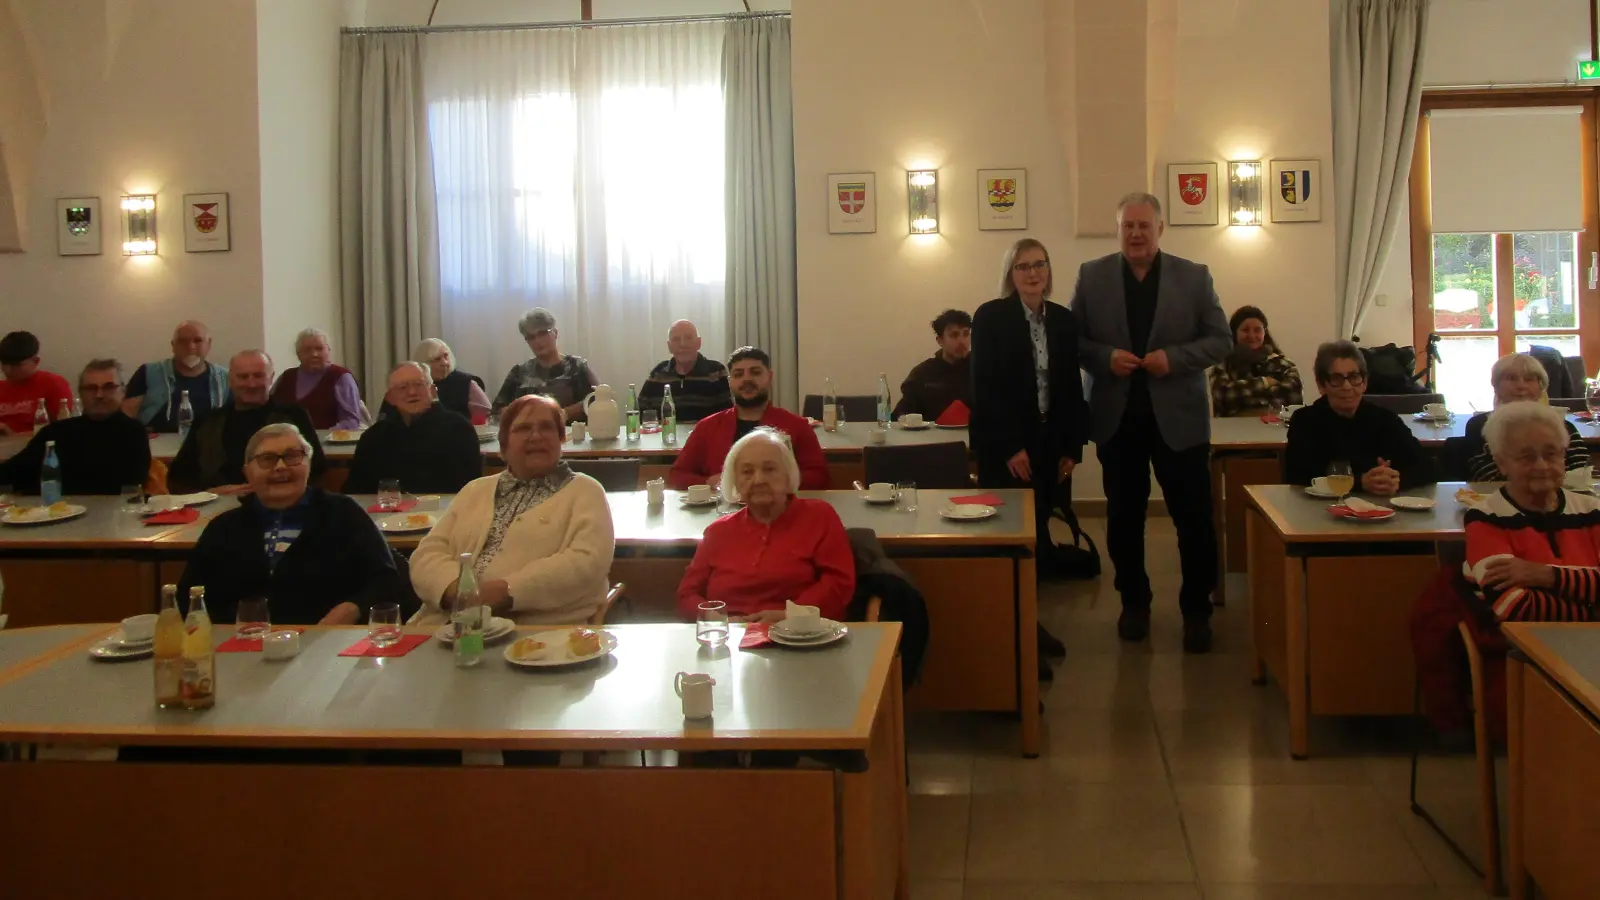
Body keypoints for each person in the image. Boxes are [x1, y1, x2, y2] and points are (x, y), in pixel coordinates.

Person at [1073, 192, 1231, 653]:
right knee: (1124, 519)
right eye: (1128, 226)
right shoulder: (1092, 276)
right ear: (1117, 230)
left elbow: (1220, 340)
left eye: (1144, 225)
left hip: (1180, 420)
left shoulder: (1194, 276)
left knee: (1194, 520)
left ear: (1161, 229)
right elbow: (1072, 340)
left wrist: (1174, 359)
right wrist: (1105, 357)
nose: (1136, 234)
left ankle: (1197, 610)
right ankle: (1134, 603)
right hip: (1117, 419)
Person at [410, 394, 614, 625]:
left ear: (561, 439)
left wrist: (506, 591)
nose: (536, 436)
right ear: (503, 445)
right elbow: (427, 553)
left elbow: (586, 563)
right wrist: (455, 590)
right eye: (523, 428)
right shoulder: (474, 490)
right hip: (441, 627)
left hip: (537, 632)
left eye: (546, 427)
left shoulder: (585, 491)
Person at [177, 424, 400, 626]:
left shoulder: (343, 514)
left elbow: (386, 580)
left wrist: (353, 608)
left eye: (292, 456)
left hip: (326, 645)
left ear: (309, 464)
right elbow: (188, 600)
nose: (281, 467)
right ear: (247, 472)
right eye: (267, 459)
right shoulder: (224, 529)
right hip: (239, 646)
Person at [677, 427, 854, 623]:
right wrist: (717, 619)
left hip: (800, 632)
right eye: (747, 472)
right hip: (730, 635)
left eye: (769, 469)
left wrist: (790, 616)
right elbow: (687, 594)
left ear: (788, 475)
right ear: (735, 481)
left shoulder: (819, 516)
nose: (758, 480)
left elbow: (839, 583)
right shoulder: (717, 532)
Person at [1464, 401, 1600, 621]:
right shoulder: (1485, 518)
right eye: (1526, 457)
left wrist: (1545, 575)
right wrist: (1593, 611)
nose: (1542, 466)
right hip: (1526, 642)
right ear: (1501, 463)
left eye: (1551, 454)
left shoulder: (1593, 510)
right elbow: (1515, 608)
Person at [667, 346, 829, 491]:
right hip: (720, 510)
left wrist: (779, 481)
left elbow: (820, 477)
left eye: (755, 372)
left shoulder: (797, 426)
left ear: (769, 377)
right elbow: (676, 477)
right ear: (730, 382)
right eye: (738, 374)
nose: (747, 379)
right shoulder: (707, 427)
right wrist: (708, 482)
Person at [167, 350, 327, 494]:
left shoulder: (294, 416)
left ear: (271, 378)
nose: (251, 384)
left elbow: (317, 471)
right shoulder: (208, 421)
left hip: (281, 503)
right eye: (243, 377)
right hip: (217, 506)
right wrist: (210, 493)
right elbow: (178, 479)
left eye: (258, 376)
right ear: (230, 381)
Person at [1285, 340, 1433, 492]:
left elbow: (1426, 467)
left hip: (1380, 504)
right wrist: (1359, 482)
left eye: (1354, 377)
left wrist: (1395, 480)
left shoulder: (1385, 419)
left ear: (1364, 382)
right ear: (1321, 385)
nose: (1347, 386)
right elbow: (1297, 476)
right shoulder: (1304, 421)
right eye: (1337, 379)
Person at [0, 359, 149, 494]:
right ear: (80, 393)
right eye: (91, 388)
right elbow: (12, 473)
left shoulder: (133, 433)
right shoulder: (55, 433)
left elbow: (131, 485)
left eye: (109, 387)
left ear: (123, 391)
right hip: (51, 511)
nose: (99, 395)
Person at [344, 362, 483, 495]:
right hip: (386, 510)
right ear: (390, 398)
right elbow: (355, 490)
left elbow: (471, 490)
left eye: (419, 385)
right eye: (402, 387)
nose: (411, 392)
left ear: (433, 391)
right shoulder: (374, 436)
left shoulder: (459, 429)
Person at [1462, 353, 1589, 482]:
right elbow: (1486, 479)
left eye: (1529, 379)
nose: (1521, 386)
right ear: (1496, 386)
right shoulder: (1479, 426)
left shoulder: (1562, 426)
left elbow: (1583, 476)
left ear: (1541, 387)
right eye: (1512, 378)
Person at [491, 308, 600, 423]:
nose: (538, 341)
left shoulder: (577, 366)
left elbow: (597, 398)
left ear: (555, 333)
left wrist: (565, 413)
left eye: (542, 334)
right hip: (529, 432)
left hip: (571, 432)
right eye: (531, 337)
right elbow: (497, 410)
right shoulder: (519, 372)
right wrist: (521, 414)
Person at [122, 320, 231, 433]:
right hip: (155, 441)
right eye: (183, 341)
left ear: (209, 344)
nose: (191, 347)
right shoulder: (148, 372)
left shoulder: (225, 378)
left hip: (206, 441)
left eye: (198, 340)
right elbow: (126, 416)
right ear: (173, 345)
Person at [1208, 305, 1303, 417]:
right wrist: (1265, 382)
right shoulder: (1222, 366)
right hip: (1233, 428)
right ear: (1234, 332)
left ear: (1265, 332)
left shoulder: (1283, 365)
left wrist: (1243, 396)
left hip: (1275, 427)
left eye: (1257, 330)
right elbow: (1224, 396)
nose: (1252, 336)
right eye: (1245, 330)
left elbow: (1294, 397)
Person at [269, 328, 363, 430]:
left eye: (319, 349)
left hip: (328, 438)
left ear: (328, 350)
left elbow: (351, 421)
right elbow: (269, 410)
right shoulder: (286, 377)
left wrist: (324, 435)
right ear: (298, 354)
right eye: (307, 350)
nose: (314, 354)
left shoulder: (341, 377)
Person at [638, 320, 731, 423]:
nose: (683, 344)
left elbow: (727, 417)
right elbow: (640, 415)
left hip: (704, 433)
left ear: (699, 342)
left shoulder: (716, 372)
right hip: (665, 433)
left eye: (688, 338)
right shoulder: (658, 373)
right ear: (669, 346)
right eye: (676, 339)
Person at [895, 308, 973, 420]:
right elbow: (903, 414)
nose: (962, 341)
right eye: (954, 335)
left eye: (966, 334)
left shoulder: (982, 369)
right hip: (933, 431)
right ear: (940, 341)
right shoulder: (923, 374)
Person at [0, 331, 73, 435]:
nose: (8, 370)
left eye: (16, 365)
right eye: (4, 364)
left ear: (36, 361)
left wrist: (12, 435)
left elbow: (62, 430)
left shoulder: (54, 384)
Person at [413, 338, 490, 425]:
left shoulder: (465, 382)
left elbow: (485, 415)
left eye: (446, 356)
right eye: (437, 359)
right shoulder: (413, 385)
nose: (445, 363)